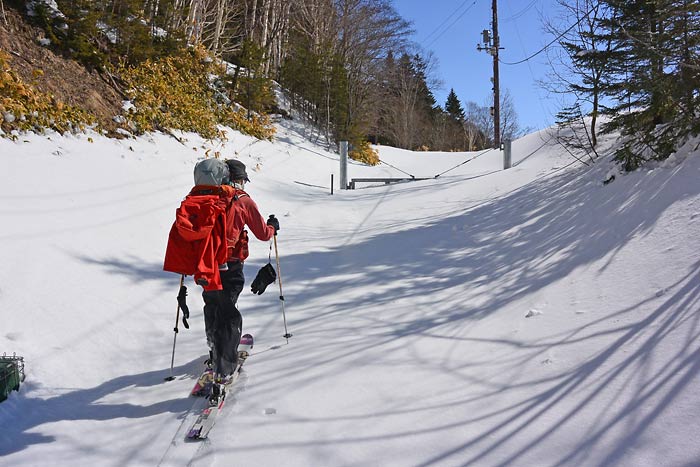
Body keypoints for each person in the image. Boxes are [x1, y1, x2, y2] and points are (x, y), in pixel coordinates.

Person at [202, 159, 279, 382]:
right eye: (243, 180)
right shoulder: (242, 200)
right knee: (228, 310)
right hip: (230, 264)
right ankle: (224, 367)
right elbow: (264, 233)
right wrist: (273, 226)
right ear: (239, 180)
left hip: (205, 264)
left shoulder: (206, 197)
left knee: (212, 302)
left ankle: (213, 344)